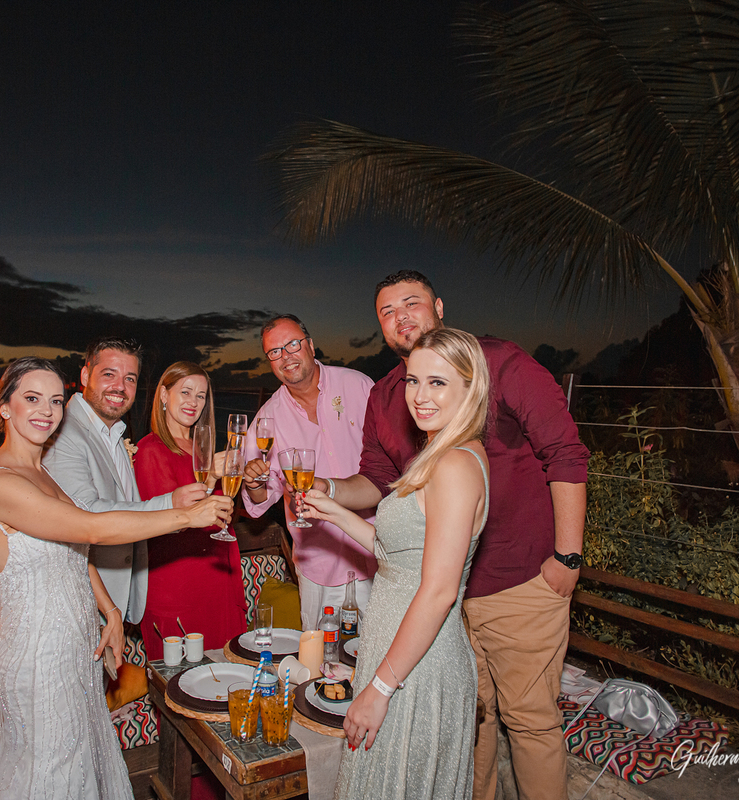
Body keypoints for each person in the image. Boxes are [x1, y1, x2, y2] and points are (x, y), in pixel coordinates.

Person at [326, 271, 589, 800]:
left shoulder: (498, 363)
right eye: (386, 311)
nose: (400, 317)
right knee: (470, 727)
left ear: (439, 306)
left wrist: (567, 557)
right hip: (441, 604)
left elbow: (565, 452)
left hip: (518, 579)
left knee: (530, 722)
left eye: (411, 303)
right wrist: (323, 490)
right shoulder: (389, 395)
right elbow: (377, 480)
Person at [0, 357, 231, 800]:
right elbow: (91, 529)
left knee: (78, 765)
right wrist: (185, 516)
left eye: (55, 401)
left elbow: (73, 551)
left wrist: (109, 611)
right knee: (47, 772)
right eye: (32, 398)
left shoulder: (42, 473)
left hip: (74, 648)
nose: (47, 411)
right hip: (37, 654)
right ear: (5, 407)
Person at [302, 328, 490, 800]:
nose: (420, 396)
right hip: (397, 651)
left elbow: (439, 591)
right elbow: (398, 557)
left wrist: (380, 688)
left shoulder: (455, 466)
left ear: (471, 387)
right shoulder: (438, 453)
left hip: (417, 667)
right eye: (413, 380)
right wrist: (333, 512)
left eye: (437, 382)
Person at [42, 337, 208, 624]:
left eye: (129, 378)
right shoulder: (64, 433)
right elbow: (87, 517)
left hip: (113, 600)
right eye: (109, 374)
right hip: (81, 602)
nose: (119, 387)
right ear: (85, 376)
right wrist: (174, 507)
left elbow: (127, 503)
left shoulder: (115, 434)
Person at [240, 314, 376, 630]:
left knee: (386, 651)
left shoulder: (358, 386)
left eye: (292, 344)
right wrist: (254, 483)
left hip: (377, 552)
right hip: (319, 565)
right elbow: (259, 501)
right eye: (275, 351)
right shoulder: (266, 420)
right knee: (320, 654)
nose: (286, 356)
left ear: (311, 346)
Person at [134, 361, 247, 657]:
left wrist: (248, 479)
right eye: (185, 392)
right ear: (163, 395)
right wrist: (212, 478)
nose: (193, 402)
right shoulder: (150, 449)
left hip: (217, 578)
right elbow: (170, 524)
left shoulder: (201, 449)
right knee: (182, 676)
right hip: (179, 586)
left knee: (226, 673)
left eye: (201, 395)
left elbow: (224, 513)